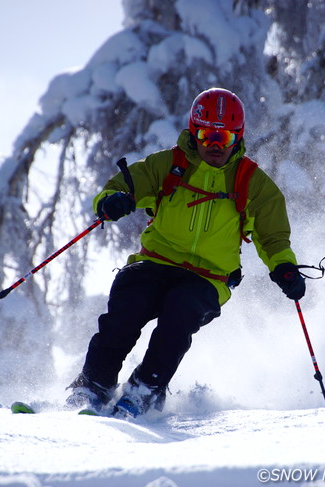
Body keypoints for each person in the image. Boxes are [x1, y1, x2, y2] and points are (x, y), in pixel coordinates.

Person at [66, 87, 305, 417]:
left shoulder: (252, 183)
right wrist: (111, 202)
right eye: (207, 135)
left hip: (208, 276)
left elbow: (273, 238)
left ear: (238, 136)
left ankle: (146, 389)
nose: (215, 146)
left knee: (180, 311)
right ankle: (94, 386)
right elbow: (119, 187)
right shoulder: (169, 165)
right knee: (128, 305)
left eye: (225, 137)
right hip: (155, 262)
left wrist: (285, 269)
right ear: (195, 132)